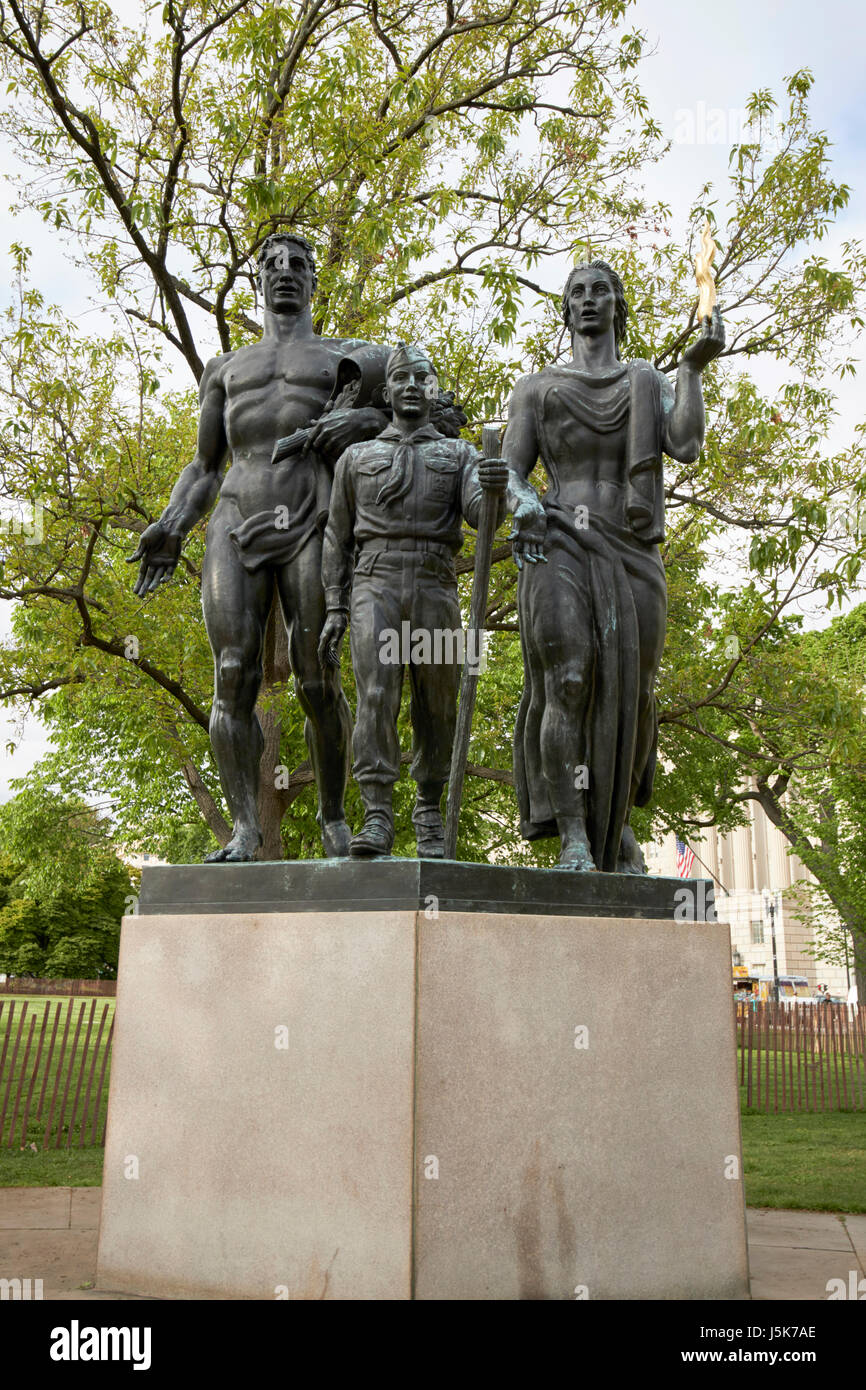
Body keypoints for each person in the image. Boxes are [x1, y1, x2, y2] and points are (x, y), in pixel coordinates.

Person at [128, 233, 391, 861]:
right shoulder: (227, 368)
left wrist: (367, 420)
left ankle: (333, 817)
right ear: (258, 280)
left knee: (315, 679)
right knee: (231, 673)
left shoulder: (347, 361)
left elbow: (413, 417)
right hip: (237, 518)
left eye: (298, 265)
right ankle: (247, 828)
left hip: (311, 517)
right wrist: (171, 521)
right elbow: (202, 467)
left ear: (313, 281)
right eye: (272, 265)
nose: (285, 274)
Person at [502, 260, 724, 871]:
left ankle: (616, 823)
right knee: (567, 681)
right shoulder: (537, 388)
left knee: (637, 694)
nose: (589, 299)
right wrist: (520, 500)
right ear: (566, 309)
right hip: (559, 542)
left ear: (618, 305)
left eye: (601, 289)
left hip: (632, 547)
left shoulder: (646, 380)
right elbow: (508, 475)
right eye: (578, 292)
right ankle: (575, 833)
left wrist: (693, 366)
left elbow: (686, 445)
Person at [318, 344, 537, 857]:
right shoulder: (356, 457)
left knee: (438, 702)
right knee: (376, 697)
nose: (412, 385)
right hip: (376, 583)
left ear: (434, 387)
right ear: (387, 391)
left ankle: (429, 809)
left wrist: (497, 489)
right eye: (401, 378)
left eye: (423, 377)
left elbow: (482, 519)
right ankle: (376, 815)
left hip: (437, 585)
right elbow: (336, 537)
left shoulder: (460, 454)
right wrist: (335, 605)